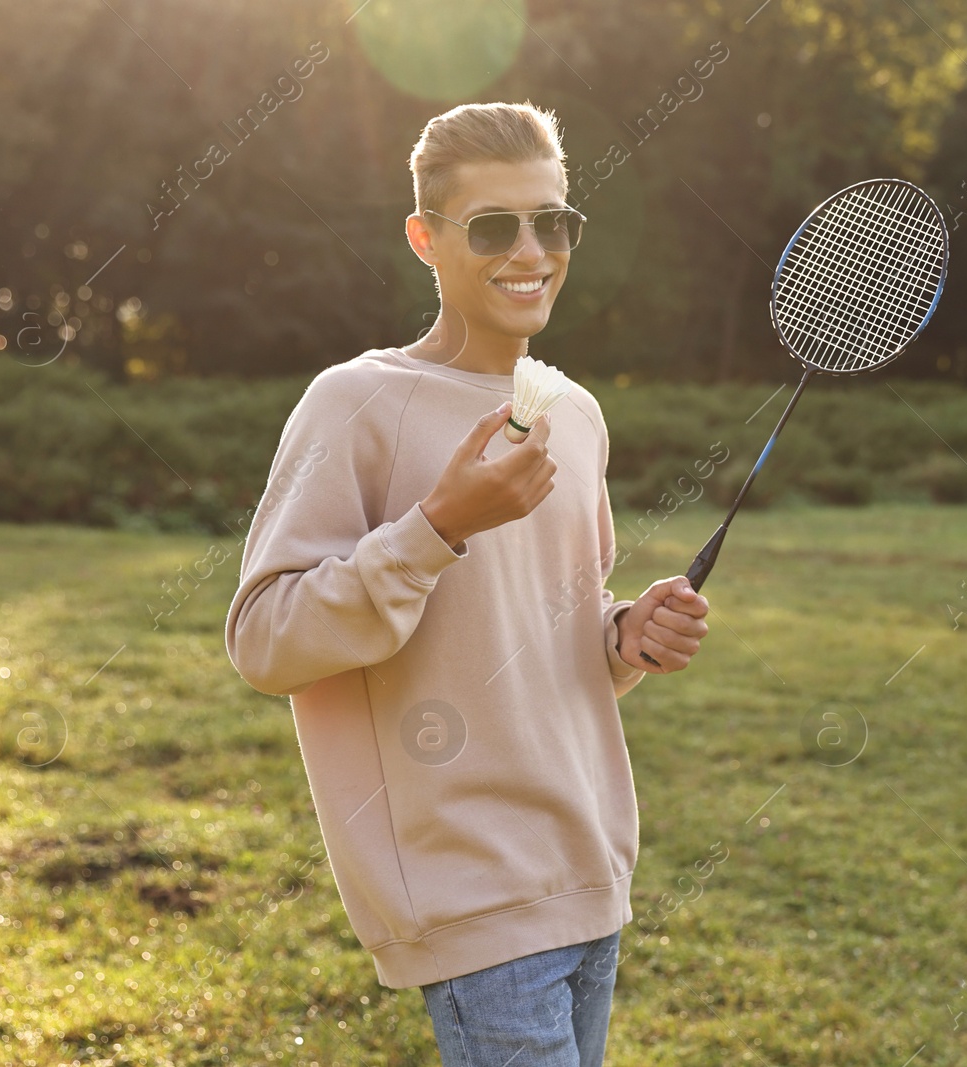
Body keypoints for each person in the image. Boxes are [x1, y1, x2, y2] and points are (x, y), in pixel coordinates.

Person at [223, 99, 711, 1066]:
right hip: (471, 900)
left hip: (590, 874)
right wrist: (440, 526)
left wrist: (625, 636)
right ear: (425, 239)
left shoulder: (573, 411)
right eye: (494, 226)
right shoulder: (355, 403)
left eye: (554, 222)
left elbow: (551, 637)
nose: (532, 250)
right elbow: (265, 640)